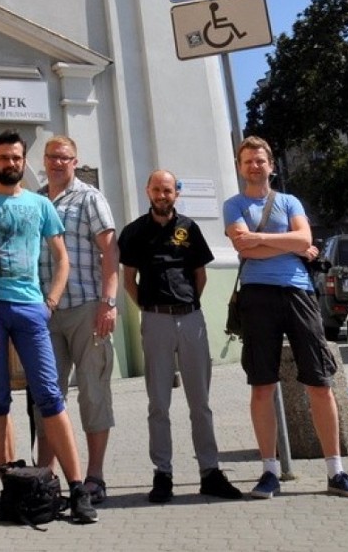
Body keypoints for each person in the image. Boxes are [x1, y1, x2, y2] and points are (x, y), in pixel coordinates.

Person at [0, 130, 98, 525]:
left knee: (50, 396)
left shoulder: (41, 206)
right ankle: (12, 488)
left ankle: (77, 489)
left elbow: (63, 260)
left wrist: (50, 303)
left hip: (30, 309)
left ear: (24, 161)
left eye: (16, 157)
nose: (10, 163)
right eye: (3, 158)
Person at [224, 135, 348, 499]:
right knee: (262, 385)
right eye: (248, 161)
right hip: (256, 295)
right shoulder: (233, 204)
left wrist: (261, 241)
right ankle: (269, 471)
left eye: (260, 160)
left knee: (319, 382)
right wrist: (287, 243)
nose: (255, 166)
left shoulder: (290, 201)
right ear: (240, 168)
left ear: (271, 165)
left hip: (298, 292)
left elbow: (305, 238)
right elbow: (242, 245)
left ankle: (336, 472)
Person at [118, 169, 242, 503]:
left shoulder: (189, 228)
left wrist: (188, 306)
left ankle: (210, 472)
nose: (162, 195)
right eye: (157, 189)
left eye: (168, 190)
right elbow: (129, 280)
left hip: (190, 320)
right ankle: (163, 474)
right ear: (148, 191)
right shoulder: (133, 232)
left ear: (176, 193)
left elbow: (200, 276)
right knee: (158, 403)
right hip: (155, 320)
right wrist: (148, 308)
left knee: (200, 403)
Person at [35, 136, 118, 506]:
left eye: (64, 157)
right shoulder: (36, 199)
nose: (57, 163)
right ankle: (46, 477)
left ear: (75, 160)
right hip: (45, 310)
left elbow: (110, 251)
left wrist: (109, 302)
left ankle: (95, 476)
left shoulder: (89, 197)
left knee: (93, 392)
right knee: (48, 396)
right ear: (44, 160)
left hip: (86, 307)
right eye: (52, 157)